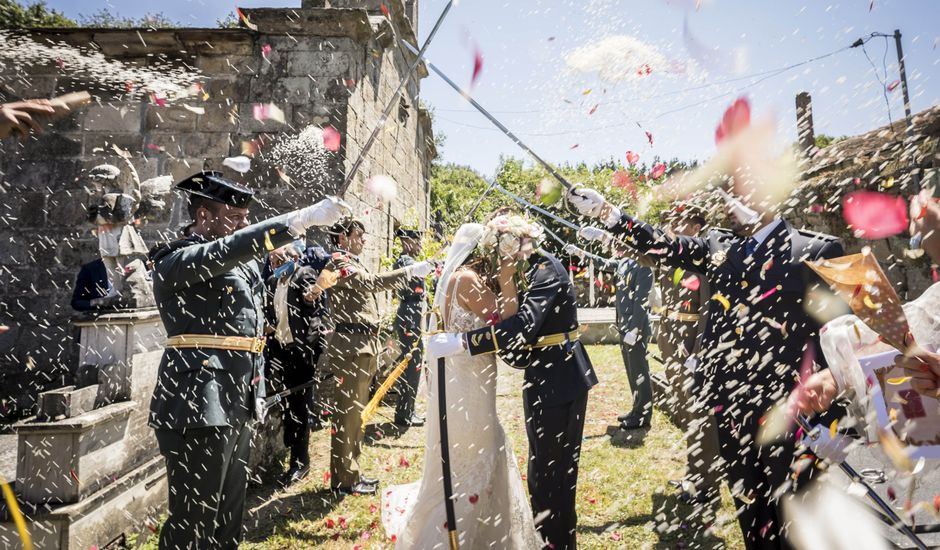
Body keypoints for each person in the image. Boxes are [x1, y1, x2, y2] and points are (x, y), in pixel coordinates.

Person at [568, 185, 842, 550]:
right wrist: (610, 215)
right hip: (731, 408)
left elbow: (839, 333)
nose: (734, 200)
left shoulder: (815, 249)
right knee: (752, 514)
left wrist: (833, 395)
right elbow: (665, 245)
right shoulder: (718, 247)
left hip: (790, 412)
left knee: (796, 518)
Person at [147, 170, 349, 550]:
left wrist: (301, 264)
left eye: (246, 219)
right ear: (204, 216)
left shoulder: (236, 263)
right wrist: (297, 220)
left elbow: (254, 271)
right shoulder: (177, 258)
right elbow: (228, 250)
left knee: (228, 517)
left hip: (237, 400)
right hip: (198, 403)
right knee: (194, 522)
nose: (244, 225)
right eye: (235, 219)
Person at [428, 213, 598, 550]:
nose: (497, 258)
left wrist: (465, 343)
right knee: (541, 474)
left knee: (556, 479)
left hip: (562, 381)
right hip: (542, 379)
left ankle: (560, 543)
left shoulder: (546, 269)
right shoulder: (523, 270)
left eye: (502, 248)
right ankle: (548, 540)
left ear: (517, 243)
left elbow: (522, 325)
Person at [381, 223, 543, 549]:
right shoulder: (467, 280)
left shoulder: (455, 279)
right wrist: (509, 274)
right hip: (469, 385)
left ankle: (484, 529)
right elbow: (505, 319)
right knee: (476, 455)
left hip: (464, 379)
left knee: (471, 455)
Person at [315, 219, 434, 495]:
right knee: (347, 415)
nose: (364, 240)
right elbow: (370, 284)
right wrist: (410, 271)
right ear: (342, 238)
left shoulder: (351, 261)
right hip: (352, 346)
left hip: (364, 344)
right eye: (359, 235)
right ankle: (344, 479)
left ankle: (352, 473)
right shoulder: (338, 263)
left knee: (357, 415)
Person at [564, 237, 654, 430]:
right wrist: (582, 253)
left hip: (634, 330)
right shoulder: (624, 261)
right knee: (632, 372)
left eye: (622, 243)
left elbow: (641, 302)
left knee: (640, 373)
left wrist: (635, 330)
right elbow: (604, 263)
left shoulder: (644, 266)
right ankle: (636, 409)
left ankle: (643, 415)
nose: (617, 246)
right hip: (624, 327)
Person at [264, 242, 326, 487]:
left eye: (279, 260)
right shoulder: (272, 283)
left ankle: (300, 463)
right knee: (287, 406)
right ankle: (290, 451)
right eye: (272, 261)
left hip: (301, 352)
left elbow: (315, 310)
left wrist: (308, 348)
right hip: (280, 351)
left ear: (294, 257)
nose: (275, 265)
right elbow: (273, 314)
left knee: (300, 407)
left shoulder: (304, 274)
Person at [392, 228, 427, 427]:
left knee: (415, 364)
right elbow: (413, 270)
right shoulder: (405, 261)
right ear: (406, 241)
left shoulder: (411, 261)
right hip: (408, 316)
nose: (420, 245)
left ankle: (407, 410)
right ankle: (404, 414)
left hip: (413, 314)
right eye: (417, 241)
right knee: (411, 365)